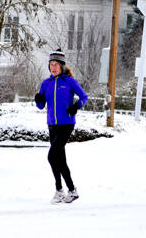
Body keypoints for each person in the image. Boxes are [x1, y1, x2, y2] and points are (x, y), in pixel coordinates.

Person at [35, 48, 88, 204]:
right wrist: (38, 98)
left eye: (56, 64)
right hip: (52, 125)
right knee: (60, 159)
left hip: (67, 124)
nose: (53, 67)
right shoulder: (46, 83)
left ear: (62, 66)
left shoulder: (70, 81)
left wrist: (76, 106)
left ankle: (59, 190)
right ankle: (71, 191)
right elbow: (40, 106)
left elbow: (84, 97)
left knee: (52, 156)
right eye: (51, 64)